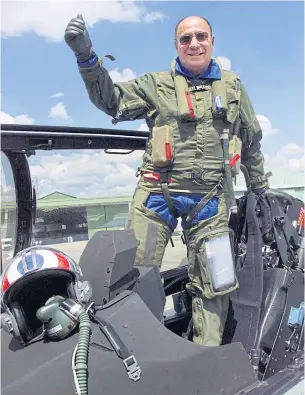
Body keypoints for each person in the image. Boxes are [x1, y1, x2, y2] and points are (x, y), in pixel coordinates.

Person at [64, 14, 269, 347]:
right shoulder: (154, 84)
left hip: (209, 200)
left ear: (212, 41)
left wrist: (260, 190)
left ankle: (206, 359)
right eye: (185, 39)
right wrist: (86, 58)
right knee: (133, 279)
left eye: (200, 36)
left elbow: (251, 141)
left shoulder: (233, 86)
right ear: (176, 45)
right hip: (157, 196)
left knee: (217, 283)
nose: (194, 44)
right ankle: (139, 354)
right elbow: (111, 101)